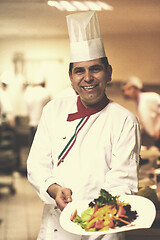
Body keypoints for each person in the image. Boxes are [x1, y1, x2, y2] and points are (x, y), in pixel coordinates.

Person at [27, 11, 141, 240]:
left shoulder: (124, 120)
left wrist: (92, 219)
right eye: (79, 70)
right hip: (56, 227)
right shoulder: (53, 111)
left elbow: (122, 181)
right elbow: (36, 165)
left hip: (104, 228)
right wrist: (55, 189)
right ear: (71, 78)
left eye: (95, 69)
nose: (87, 78)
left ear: (108, 73)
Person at [122, 76, 160, 149]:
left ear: (137, 88)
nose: (126, 93)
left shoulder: (151, 97)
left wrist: (159, 130)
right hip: (155, 138)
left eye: (129, 89)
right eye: (124, 90)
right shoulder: (139, 103)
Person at [24, 78, 51, 145]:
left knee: (32, 147)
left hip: (32, 124)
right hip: (43, 125)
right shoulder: (45, 92)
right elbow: (50, 109)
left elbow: (27, 111)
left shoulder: (28, 93)